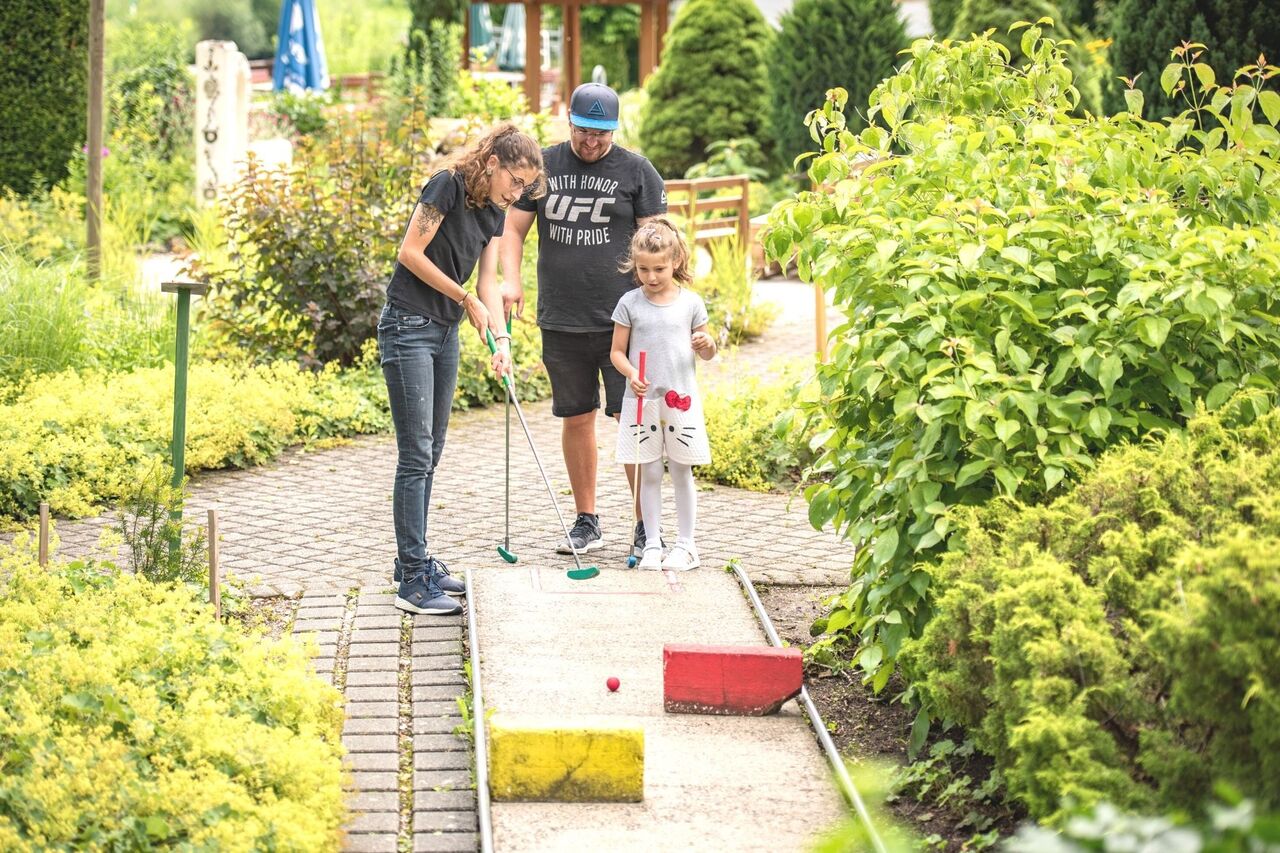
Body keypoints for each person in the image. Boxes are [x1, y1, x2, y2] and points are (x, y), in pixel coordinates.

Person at [380, 123, 545, 615]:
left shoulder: (495, 210)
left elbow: (489, 281)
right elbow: (410, 254)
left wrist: (501, 339)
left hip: (444, 330)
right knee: (416, 454)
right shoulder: (446, 185)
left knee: (433, 452)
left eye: (524, 188)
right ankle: (412, 580)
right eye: (515, 181)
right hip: (408, 325)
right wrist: (464, 297)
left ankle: (414, 559)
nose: (517, 193)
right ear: (492, 162)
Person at [500, 82, 668, 558]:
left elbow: (659, 246)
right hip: (561, 317)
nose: (591, 142)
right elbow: (512, 230)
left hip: (625, 324)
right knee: (576, 416)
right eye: (583, 131)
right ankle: (586, 521)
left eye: (602, 133)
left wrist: (662, 309)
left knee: (631, 419)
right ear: (568, 121)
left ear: (615, 129)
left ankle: (644, 525)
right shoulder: (544, 167)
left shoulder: (637, 171)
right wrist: (511, 281)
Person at [609, 219, 716, 571]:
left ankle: (687, 546)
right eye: (643, 270)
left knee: (683, 471)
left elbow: (707, 351)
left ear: (675, 263)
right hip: (643, 402)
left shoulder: (691, 304)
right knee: (649, 473)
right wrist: (630, 373)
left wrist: (707, 343)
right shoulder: (629, 303)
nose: (651, 277)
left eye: (659, 269)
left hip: (680, 400)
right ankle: (652, 543)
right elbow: (616, 353)